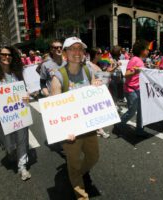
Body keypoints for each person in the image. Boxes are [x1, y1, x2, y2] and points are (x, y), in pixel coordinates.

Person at [50, 37, 100, 199]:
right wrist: (64, 130)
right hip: (70, 130)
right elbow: (54, 108)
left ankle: (77, 174)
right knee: (74, 163)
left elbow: (94, 95)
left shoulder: (88, 71)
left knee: (93, 157)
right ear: (65, 53)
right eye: (72, 49)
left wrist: (98, 87)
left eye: (80, 48)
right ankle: (81, 194)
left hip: (88, 126)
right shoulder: (58, 77)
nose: (77, 52)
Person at [0, 45, 31, 181]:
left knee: (22, 140)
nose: (7, 57)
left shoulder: (17, 72)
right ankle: (10, 152)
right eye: (3, 54)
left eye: (9, 55)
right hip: (1, 115)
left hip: (19, 113)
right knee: (8, 143)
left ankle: (22, 166)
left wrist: (27, 95)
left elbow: (24, 90)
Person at [114, 40, 150, 137]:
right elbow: (126, 74)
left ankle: (139, 130)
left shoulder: (139, 60)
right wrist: (135, 71)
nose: (148, 51)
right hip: (131, 90)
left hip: (138, 89)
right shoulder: (135, 59)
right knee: (132, 111)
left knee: (141, 111)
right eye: (147, 49)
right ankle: (118, 124)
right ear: (142, 50)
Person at [88, 47, 110, 138]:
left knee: (97, 111)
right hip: (92, 92)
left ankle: (97, 129)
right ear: (96, 54)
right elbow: (90, 79)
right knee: (94, 112)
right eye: (100, 53)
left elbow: (101, 77)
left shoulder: (98, 65)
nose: (102, 55)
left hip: (99, 91)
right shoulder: (88, 64)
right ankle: (99, 130)